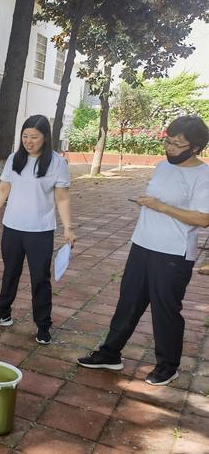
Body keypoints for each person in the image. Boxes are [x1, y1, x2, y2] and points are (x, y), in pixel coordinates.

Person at [78, 115, 209, 386]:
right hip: (143, 245)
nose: (169, 148)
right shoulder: (162, 167)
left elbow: (203, 218)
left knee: (165, 309)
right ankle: (110, 353)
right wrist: (149, 203)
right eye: (168, 141)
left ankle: (167, 365)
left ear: (195, 148)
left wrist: (161, 207)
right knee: (128, 302)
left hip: (173, 254)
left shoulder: (203, 176)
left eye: (177, 144)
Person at [0, 114, 76, 344]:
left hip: (40, 231)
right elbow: (3, 189)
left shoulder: (56, 162)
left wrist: (68, 228)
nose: (28, 141)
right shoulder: (15, 158)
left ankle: (43, 325)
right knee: (10, 273)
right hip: (12, 227)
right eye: (25, 136)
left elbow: (62, 198)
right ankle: (3, 313)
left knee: (40, 279)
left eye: (34, 137)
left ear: (45, 138)